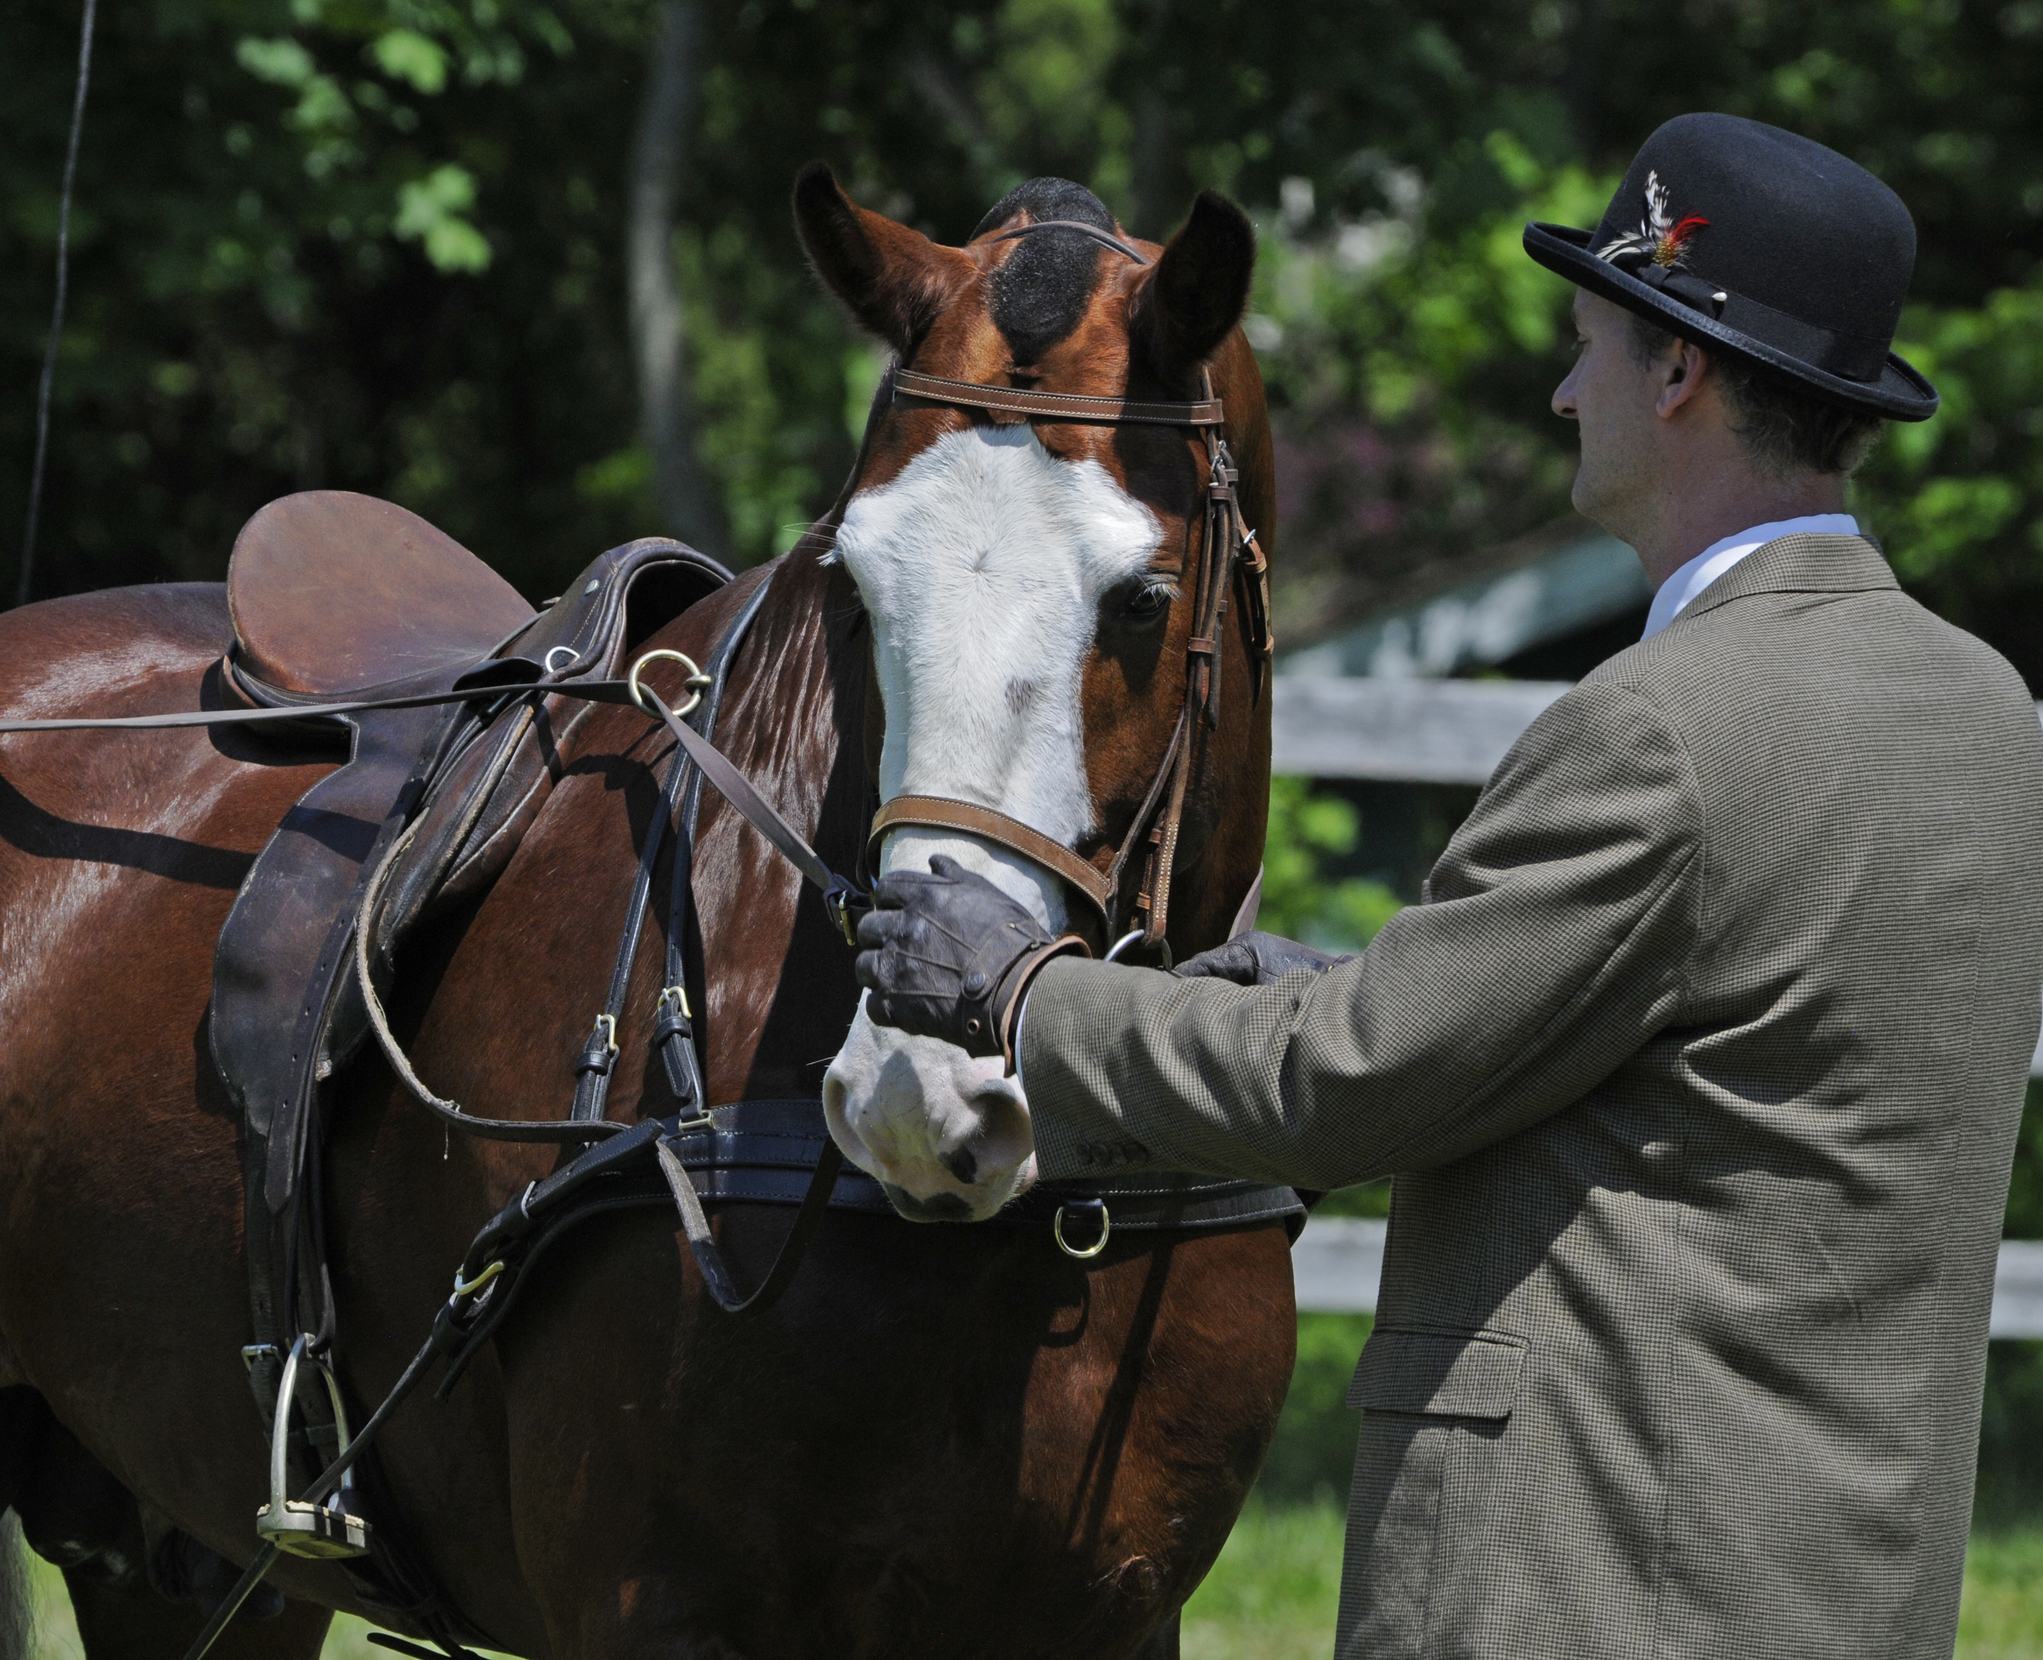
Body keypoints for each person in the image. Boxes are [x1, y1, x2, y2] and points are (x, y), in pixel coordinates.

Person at [854, 113, 2043, 1659]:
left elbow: (1350, 1085)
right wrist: (1298, 979)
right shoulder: (1983, 712)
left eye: (1589, 347)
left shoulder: (1659, 728)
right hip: (1845, 1594)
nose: (1563, 390)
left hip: (1587, 1590)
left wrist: (1021, 992)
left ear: (1679, 375)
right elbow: (1693, 1054)